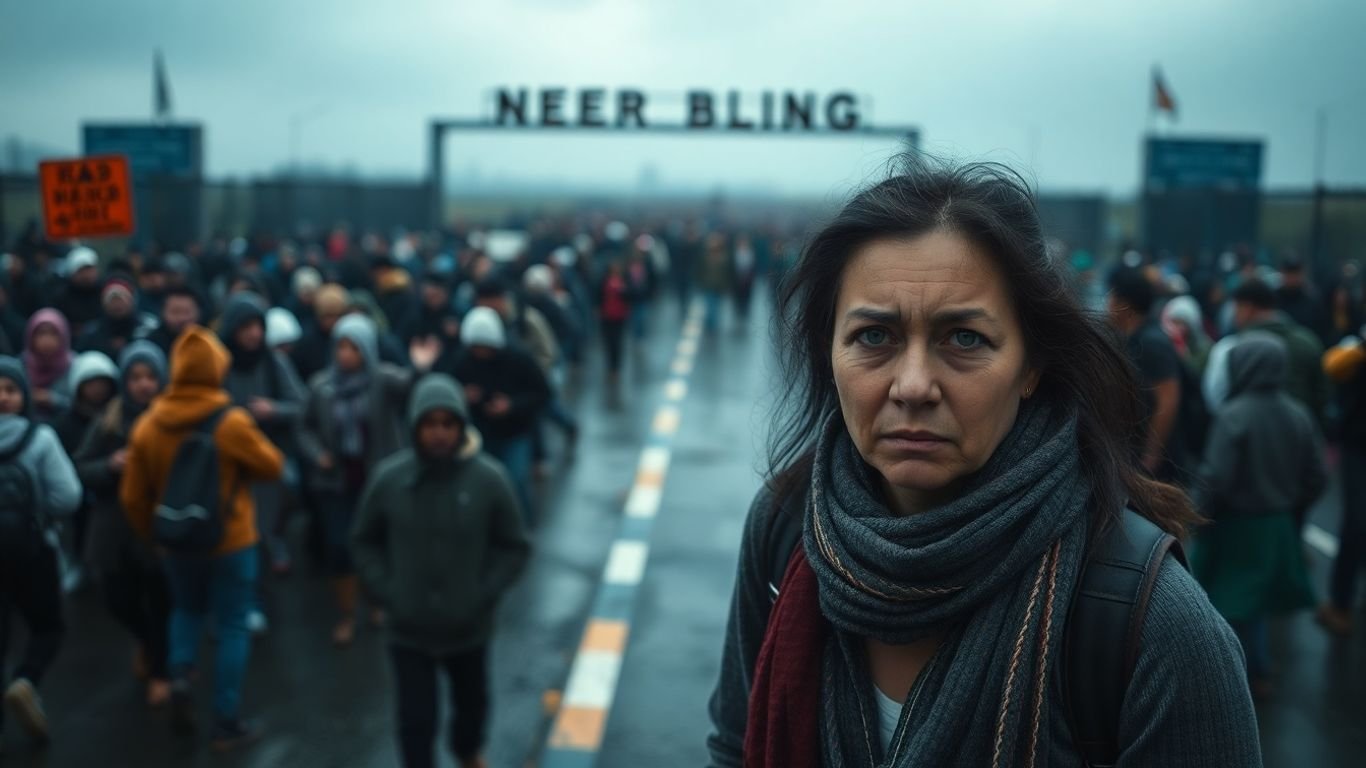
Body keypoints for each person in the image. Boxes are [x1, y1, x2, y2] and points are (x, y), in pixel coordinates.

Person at [706, 161, 1259, 767]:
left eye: (964, 339)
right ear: (828, 351)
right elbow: (736, 746)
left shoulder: (1155, 627)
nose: (913, 385)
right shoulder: (787, 528)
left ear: (1030, 367)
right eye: (873, 337)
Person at [351, 374, 530, 768]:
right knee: (416, 722)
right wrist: (388, 590)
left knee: (472, 708)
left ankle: (468, 752)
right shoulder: (390, 479)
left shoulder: (488, 479)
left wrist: (483, 593)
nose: (439, 434)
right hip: (408, 632)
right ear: (415, 427)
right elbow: (364, 540)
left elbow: (514, 545)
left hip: (468, 629)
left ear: (461, 426)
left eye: (447, 424)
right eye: (429, 424)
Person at [120, 326, 284, 751]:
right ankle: (225, 722)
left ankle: (179, 676)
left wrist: (152, 534)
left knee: (187, 611)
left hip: (175, 540)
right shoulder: (231, 421)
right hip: (230, 540)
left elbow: (132, 495)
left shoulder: (150, 423)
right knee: (232, 625)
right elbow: (273, 466)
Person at [1190, 333, 1325, 697]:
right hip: (1276, 523)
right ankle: (1259, 670)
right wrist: (1291, 504)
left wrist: (1196, 516)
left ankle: (1229, 673)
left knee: (1226, 601)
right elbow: (1317, 475)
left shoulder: (1234, 414)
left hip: (1235, 525)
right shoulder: (1299, 413)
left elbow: (1215, 476)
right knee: (1255, 603)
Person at [299, 313, 413, 647]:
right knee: (339, 546)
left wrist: (420, 367)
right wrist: (318, 453)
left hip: (375, 480)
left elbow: (411, 388)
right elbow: (304, 426)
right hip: (335, 482)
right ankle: (347, 613)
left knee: (377, 543)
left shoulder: (381, 380)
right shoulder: (321, 386)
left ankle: (376, 601)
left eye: (354, 347)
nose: (345, 354)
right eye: (341, 347)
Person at [72, 341, 173, 708]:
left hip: (157, 527)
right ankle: (146, 641)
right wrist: (109, 466)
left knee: (162, 601)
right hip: (114, 529)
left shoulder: (171, 417)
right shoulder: (110, 419)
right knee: (118, 599)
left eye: (150, 376)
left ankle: (162, 670)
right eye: (135, 377)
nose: (143, 385)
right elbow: (80, 467)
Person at [0, 357, 82, 746]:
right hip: (34, 551)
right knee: (48, 627)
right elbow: (69, 496)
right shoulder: (40, 438)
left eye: (8, 388)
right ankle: (26, 680)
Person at [218, 293, 306, 585]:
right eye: (246, 327)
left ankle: (275, 541)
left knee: (285, 493)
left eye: (258, 326)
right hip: (229, 455)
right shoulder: (220, 364)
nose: (254, 334)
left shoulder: (273, 362)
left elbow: (300, 404)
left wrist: (274, 409)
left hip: (268, 450)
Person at [438, 308, 550, 525]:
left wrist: (512, 405)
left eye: (485, 347)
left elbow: (542, 394)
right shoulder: (462, 360)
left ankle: (523, 527)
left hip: (514, 433)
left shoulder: (519, 359)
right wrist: (461, 395)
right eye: (476, 347)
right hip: (479, 434)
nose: (480, 353)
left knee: (516, 481)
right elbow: (445, 387)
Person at [1203, 278, 1328, 425]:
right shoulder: (1308, 342)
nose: (1234, 316)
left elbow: (1216, 400)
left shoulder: (1231, 348)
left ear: (1247, 308)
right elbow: (1323, 396)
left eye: (1236, 308)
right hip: (1301, 434)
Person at [1107, 267, 1185, 481]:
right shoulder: (1133, 339)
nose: (1107, 305)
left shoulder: (1151, 343)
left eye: (1111, 297)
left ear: (1124, 305)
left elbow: (1168, 398)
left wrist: (1151, 453)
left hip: (1158, 463)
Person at [1319, 334, 1366, 636]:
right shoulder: (1357, 349)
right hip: (1358, 446)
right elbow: (1332, 366)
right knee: (1357, 524)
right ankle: (1340, 604)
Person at [75, 274, 157, 360]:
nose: (117, 305)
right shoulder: (91, 333)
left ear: (131, 301)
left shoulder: (148, 327)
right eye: (112, 300)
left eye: (121, 299)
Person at [22, 309, 76, 424]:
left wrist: (52, 400)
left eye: (53, 334)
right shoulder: (21, 365)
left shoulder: (75, 366)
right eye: (41, 333)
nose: (47, 340)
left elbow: (83, 406)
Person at [139, 286, 202, 360]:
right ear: (163, 312)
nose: (181, 318)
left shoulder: (206, 342)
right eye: (175, 312)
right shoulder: (151, 344)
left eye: (187, 312)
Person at [54, 247, 103, 336]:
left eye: (89, 269)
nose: (86, 275)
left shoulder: (104, 293)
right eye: (81, 271)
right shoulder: (62, 297)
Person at [597, 261, 631, 385]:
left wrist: (623, 292)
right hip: (606, 316)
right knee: (608, 342)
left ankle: (616, 367)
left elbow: (630, 296)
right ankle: (610, 366)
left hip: (619, 317)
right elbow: (599, 295)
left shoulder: (624, 281)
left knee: (617, 343)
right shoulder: (604, 281)